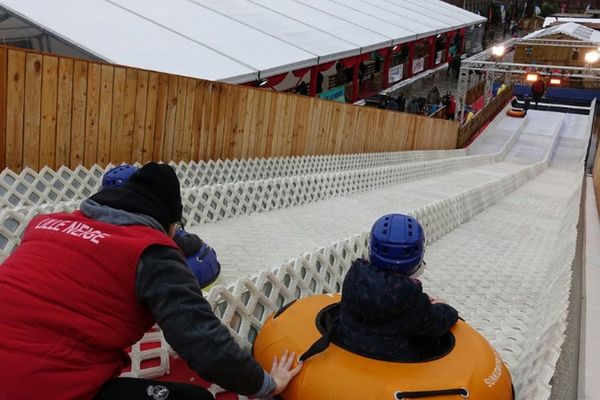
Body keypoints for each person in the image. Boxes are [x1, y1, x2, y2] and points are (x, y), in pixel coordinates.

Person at [0, 162, 302, 399]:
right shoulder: (149, 250)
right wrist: (266, 384)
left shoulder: (45, 224)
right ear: (169, 223)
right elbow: (203, 340)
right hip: (37, 387)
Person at [335, 214, 458, 362]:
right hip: (391, 366)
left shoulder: (354, 276)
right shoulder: (410, 298)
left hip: (346, 348)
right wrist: (444, 307)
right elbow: (436, 324)